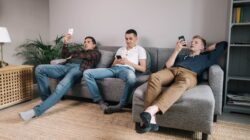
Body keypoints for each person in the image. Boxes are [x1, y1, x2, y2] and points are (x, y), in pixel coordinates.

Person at [137, 35, 227, 133]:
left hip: (190, 74)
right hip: (173, 70)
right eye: (192, 41)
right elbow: (166, 67)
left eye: (196, 42)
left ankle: (151, 111)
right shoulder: (181, 56)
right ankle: (151, 118)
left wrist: (206, 49)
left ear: (202, 47)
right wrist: (176, 50)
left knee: (185, 82)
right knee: (154, 76)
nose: (192, 43)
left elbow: (223, 44)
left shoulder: (206, 57)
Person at [19, 34, 101, 121]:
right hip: (65, 66)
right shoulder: (79, 51)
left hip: (78, 69)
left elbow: (88, 56)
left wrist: (74, 55)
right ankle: (46, 100)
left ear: (94, 45)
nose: (85, 43)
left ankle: (35, 112)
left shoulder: (96, 53)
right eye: (84, 42)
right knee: (39, 69)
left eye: (88, 42)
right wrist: (65, 43)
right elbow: (64, 55)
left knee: (60, 86)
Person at [83, 29, 147, 114]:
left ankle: (120, 105)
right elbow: (113, 65)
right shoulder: (121, 49)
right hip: (114, 69)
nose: (128, 41)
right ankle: (100, 101)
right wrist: (116, 62)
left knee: (132, 78)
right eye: (126, 38)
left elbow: (143, 68)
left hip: (127, 70)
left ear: (136, 39)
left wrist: (128, 62)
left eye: (130, 38)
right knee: (87, 73)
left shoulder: (140, 49)